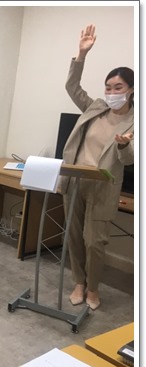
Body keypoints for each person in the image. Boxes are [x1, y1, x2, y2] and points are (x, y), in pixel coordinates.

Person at [61, 24, 134, 311]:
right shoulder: (96, 108)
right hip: (75, 181)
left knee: (95, 242)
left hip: (103, 188)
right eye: (108, 87)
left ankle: (93, 288)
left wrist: (123, 145)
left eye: (118, 87)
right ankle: (78, 283)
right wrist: (81, 55)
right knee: (73, 236)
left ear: (131, 90)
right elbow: (72, 87)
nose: (112, 92)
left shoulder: (136, 122)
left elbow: (130, 160)